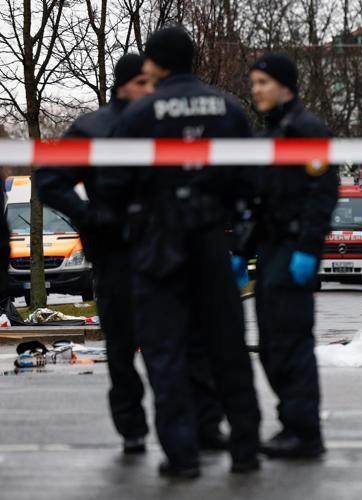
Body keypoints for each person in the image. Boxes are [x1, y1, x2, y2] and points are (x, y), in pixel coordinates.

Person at [36, 54, 231, 457]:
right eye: (143, 82)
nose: (151, 89)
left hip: (166, 248)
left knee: (184, 341)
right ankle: (133, 428)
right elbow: (50, 179)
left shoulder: (161, 121)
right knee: (123, 346)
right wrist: (89, 216)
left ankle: (204, 423)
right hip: (115, 255)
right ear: (125, 84)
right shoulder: (92, 127)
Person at [102, 27, 261, 478]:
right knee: (228, 346)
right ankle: (245, 448)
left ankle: (182, 455)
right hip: (213, 241)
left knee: (164, 350)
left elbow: (114, 185)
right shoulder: (227, 108)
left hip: (159, 246)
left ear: (154, 63)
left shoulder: (141, 113)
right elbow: (249, 181)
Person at [248, 52, 339, 459]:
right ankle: (291, 422)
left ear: (285, 85)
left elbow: (322, 195)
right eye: (253, 83)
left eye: (262, 83)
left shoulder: (306, 129)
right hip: (270, 251)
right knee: (270, 345)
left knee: (292, 344)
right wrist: (242, 250)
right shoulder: (271, 134)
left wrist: (307, 250)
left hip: (293, 250)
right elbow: (260, 201)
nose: (255, 91)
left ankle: (305, 433)